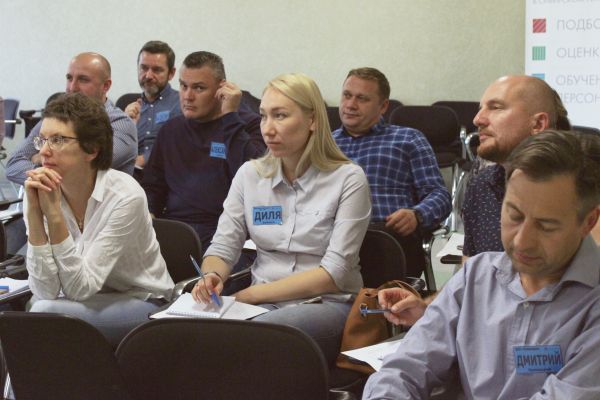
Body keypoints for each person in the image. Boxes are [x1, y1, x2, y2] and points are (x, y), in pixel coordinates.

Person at [364, 130, 600, 399]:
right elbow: (405, 368)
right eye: (514, 215)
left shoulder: (592, 306)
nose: (522, 242)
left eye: (546, 226)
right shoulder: (476, 276)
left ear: (588, 222)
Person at [191, 73, 371, 365]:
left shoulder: (348, 179)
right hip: (261, 306)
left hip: (326, 304)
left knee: (256, 337)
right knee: (191, 335)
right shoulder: (249, 175)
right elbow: (223, 246)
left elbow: (333, 274)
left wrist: (252, 295)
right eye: (263, 116)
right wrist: (212, 276)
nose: (268, 129)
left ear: (312, 120)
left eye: (280, 116)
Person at [24, 93, 173, 346]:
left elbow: (80, 288)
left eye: (58, 140)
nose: (44, 152)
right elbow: (45, 289)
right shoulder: (39, 188)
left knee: (43, 313)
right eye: (42, 140)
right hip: (77, 300)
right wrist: (34, 215)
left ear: (91, 149)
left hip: (141, 301)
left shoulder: (125, 195)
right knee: (37, 308)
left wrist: (55, 217)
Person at [142, 51, 265, 254]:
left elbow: (255, 179)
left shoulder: (248, 126)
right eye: (183, 86)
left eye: (199, 88)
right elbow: (153, 185)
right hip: (176, 230)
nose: (188, 96)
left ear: (221, 89)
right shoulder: (171, 130)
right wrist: (150, 215)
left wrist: (230, 117)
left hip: (227, 232)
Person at [332, 67, 451, 278]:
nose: (350, 104)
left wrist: (416, 215)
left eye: (362, 98)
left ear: (383, 106)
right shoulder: (326, 144)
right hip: (332, 236)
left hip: (384, 238)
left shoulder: (408, 139)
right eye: (347, 95)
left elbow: (440, 196)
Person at [462, 75, 571, 259]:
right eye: (481, 109)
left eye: (495, 107)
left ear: (538, 124)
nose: (477, 119)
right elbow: (470, 267)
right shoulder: (481, 186)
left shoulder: (582, 190)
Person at [6, 52, 137, 184]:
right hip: (52, 197)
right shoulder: (56, 116)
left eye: (83, 79)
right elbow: (13, 164)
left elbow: (85, 169)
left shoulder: (121, 124)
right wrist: (44, 173)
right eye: (69, 78)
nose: (72, 88)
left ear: (106, 86)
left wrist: (38, 158)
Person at [123, 40, 181, 172]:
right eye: (143, 68)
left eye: (157, 70)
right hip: (131, 174)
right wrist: (125, 124)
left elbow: (181, 146)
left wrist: (144, 159)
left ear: (171, 73)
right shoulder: (130, 108)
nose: (148, 75)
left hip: (166, 174)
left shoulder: (183, 104)